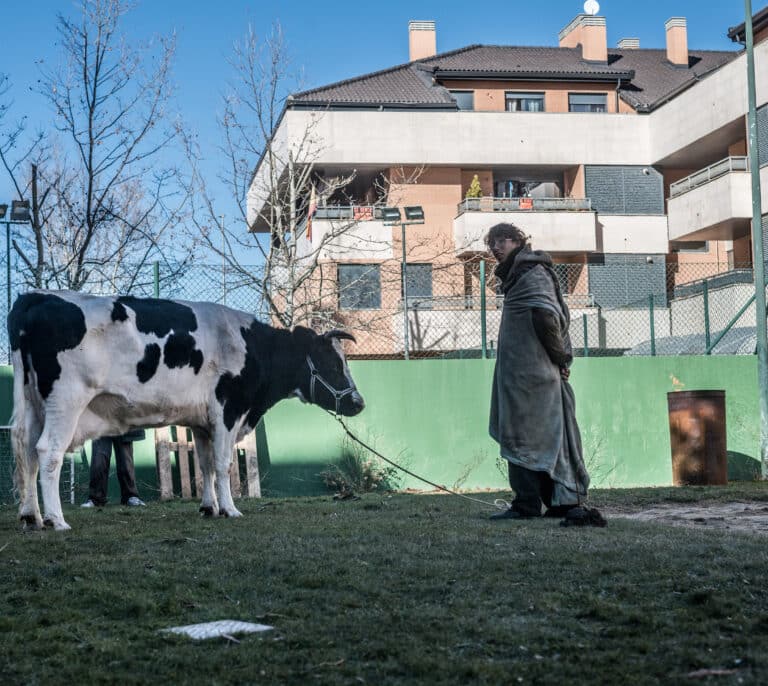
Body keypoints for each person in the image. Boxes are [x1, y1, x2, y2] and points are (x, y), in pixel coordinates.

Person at [486, 222, 603, 526]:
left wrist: (560, 358)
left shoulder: (530, 274)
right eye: (492, 244)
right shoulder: (518, 276)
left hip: (533, 375)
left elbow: (545, 318)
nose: (496, 248)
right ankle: (556, 501)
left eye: (502, 241)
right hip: (523, 373)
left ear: (517, 241)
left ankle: (530, 503)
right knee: (536, 437)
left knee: (525, 437)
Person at [81, 430, 147, 508]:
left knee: (125, 461)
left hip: (122, 421)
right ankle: (96, 500)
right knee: (98, 460)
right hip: (102, 421)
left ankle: (130, 497)